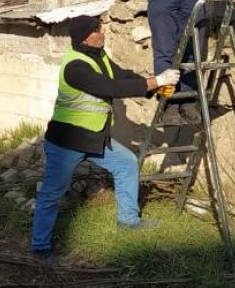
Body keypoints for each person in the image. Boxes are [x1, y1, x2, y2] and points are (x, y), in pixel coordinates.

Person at [31, 15, 181, 265]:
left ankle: (129, 222)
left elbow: (121, 76)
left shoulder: (98, 56)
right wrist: (158, 81)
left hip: (94, 137)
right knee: (52, 193)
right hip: (67, 142)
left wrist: (152, 86)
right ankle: (40, 247)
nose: (104, 33)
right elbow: (110, 88)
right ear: (87, 36)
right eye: (99, 30)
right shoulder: (75, 66)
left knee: (126, 164)